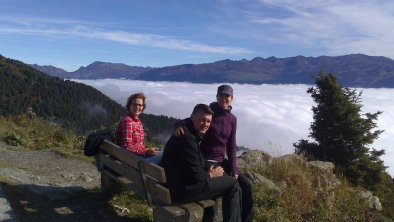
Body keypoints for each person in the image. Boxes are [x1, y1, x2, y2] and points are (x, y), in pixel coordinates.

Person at [175, 85, 255, 222]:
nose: (224, 98)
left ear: (232, 98)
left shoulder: (232, 119)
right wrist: (178, 125)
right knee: (231, 187)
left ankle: (246, 218)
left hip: (221, 160)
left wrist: (234, 168)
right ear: (217, 96)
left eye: (227, 96)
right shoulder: (210, 112)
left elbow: (231, 145)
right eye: (221, 95)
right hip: (206, 160)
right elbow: (190, 120)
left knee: (246, 185)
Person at [161, 104, 242, 222]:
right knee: (233, 184)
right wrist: (211, 175)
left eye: (208, 121)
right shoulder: (188, 139)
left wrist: (210, 169)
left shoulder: (188, 132)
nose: (205, 124)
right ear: (192, 117)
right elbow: (197, 177)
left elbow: (196, 162)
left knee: (224, 179)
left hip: (174, 185)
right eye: (202, 120)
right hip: (181, 191)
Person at [115, 93, 161, 164]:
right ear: (129, 105)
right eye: (134, 104)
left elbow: (137, 145)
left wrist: (147, 149)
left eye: (140, 105)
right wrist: (145, 151)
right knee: (167, 154)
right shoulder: (128, 121)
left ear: (143, 107)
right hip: (133, 160)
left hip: (137, 157)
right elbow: (126, 147)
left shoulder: (137, 121)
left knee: (165, 151)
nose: (137, 107)